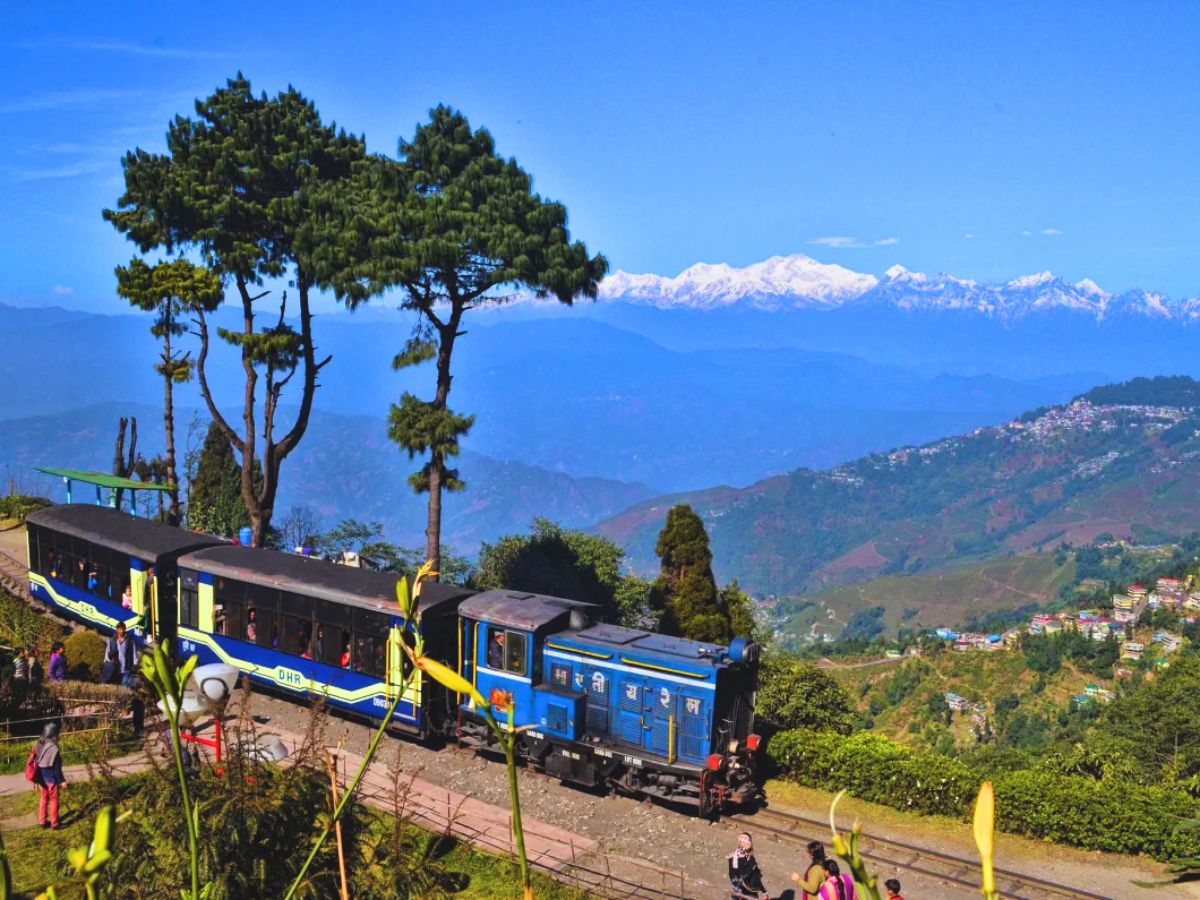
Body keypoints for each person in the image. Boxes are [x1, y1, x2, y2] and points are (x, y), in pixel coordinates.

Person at [32, 722, 65, 829]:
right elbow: (56, 768)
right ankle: (55, 823)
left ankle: (42, 821)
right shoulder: (54, 748)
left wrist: (35, 779)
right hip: (51, 778)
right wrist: (62, 781)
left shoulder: (39, 743)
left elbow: (35, 761)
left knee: (44, 799)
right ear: (54, 734)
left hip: (42, 778)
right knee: (54, 800)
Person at [727, 832, 768, 900]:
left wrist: (737, 887)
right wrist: (764, 892)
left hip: (740, 889)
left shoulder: (733, 857)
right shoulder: (747, 858)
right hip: (746, 890)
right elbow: (755, 877)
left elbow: (732, 874)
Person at [105, 623, 136, 688]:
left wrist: (134, 664)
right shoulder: (112, 640)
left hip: (126, 668)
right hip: (115, 668)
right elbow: (107, 652)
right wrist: (107, 663)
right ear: (117, 630)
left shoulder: (130, 641)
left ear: (125, 629)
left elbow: (134, 653)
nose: (121, 631)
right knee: (114, 687)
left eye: (123, 629)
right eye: (120, 629)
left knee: (124, 688)